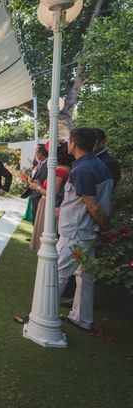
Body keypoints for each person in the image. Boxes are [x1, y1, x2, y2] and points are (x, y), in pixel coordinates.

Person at [56, 128, 113, 330]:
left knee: (58, 273)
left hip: (76, 232)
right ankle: (82, 318)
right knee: (85, 277)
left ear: (73, 143)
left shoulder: (82, 169)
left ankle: (43, 316)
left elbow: (93, 206)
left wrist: (105, 227)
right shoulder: (99, 165)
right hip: (88, 232)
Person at [29, 143, 73, 251]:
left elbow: (52, 194)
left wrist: (37, 187)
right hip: (51, 204)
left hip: (48, 204)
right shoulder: (67, 169)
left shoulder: (60, 171)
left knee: (47, 235)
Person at [30, 144, 49, 217]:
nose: (35, 155)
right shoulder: (40, 164)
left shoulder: (48, 164)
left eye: (36, 152)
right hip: (35, 195)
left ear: (40, 153)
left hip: (41, 196)